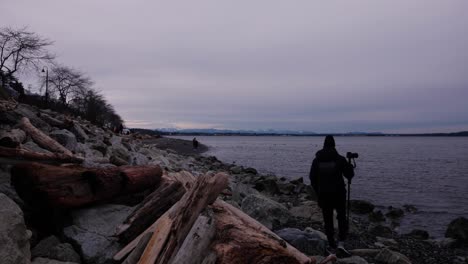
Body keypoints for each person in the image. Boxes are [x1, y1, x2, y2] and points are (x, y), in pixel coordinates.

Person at [309, 135, 354, 255]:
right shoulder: (339, 159)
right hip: (339, 193)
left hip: (323, 194)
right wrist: (350, 163)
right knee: (341, 216)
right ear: (334, 145)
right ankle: (341, 243)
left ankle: (330, 243)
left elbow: (312, 178)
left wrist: (318, 191)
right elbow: (349, 175)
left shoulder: (317, 160)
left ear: (324, 145)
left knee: (327, 218)